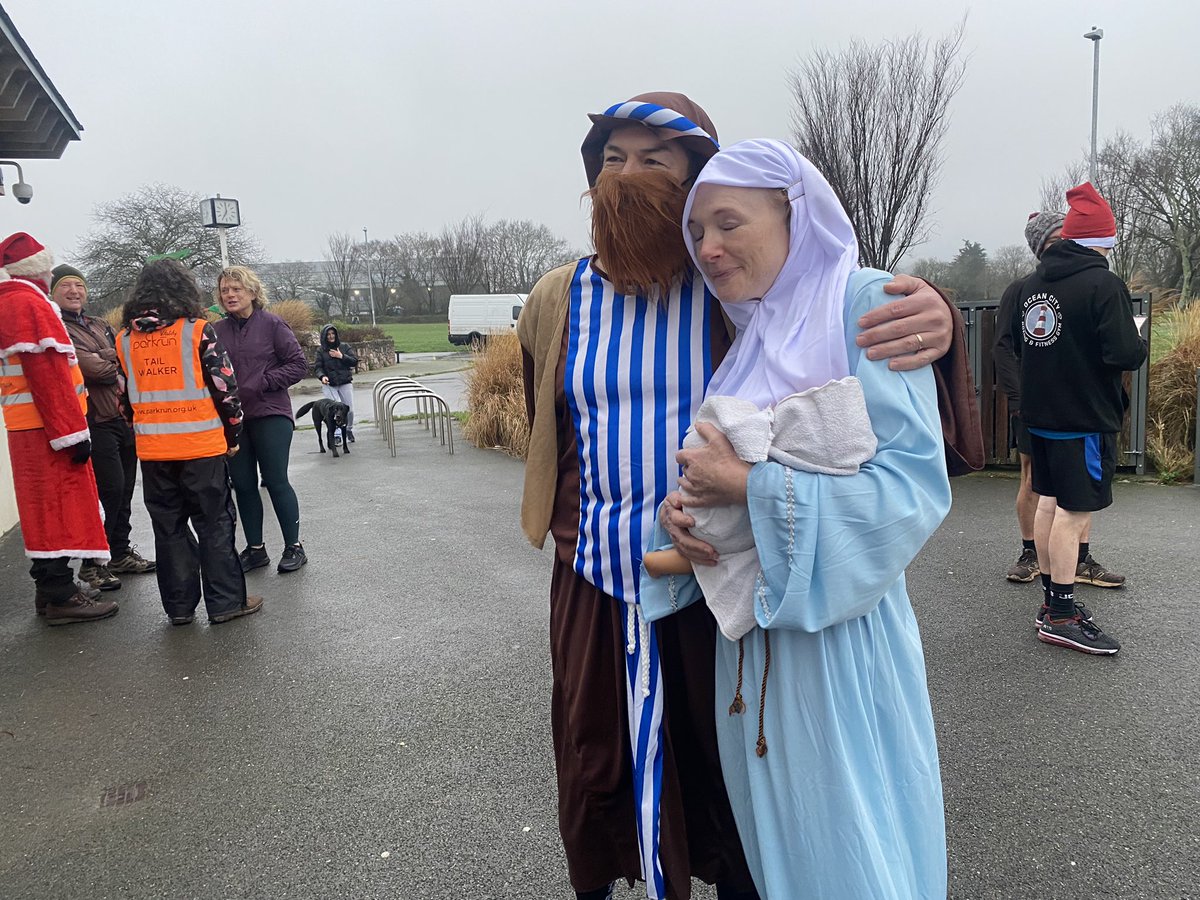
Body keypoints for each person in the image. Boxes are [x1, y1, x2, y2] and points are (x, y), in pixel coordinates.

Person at [517, 92, 975, 900]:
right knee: (600, 774)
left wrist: (938, 314)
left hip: (720, 585)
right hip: (597, 574)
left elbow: (830, 305)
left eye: (654, 161)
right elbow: (548, 423)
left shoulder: (730, 288)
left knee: (735, 796)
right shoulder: (557, 297)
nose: (627, 177)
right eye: (612, 160)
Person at [640, 138, 952, 900]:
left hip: (842, 652)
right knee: (780, 854)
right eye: (696, 233)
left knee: (854, 854)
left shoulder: (865, 305)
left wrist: (748, 486)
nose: (708, 248)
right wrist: (682, 516)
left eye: (729, 223)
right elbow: (719, 488)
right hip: (749, 667)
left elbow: (912, 490)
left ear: (795, 213)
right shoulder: (747, 341)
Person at [1013, 183, 1147, 655]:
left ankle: (1052, 603)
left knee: (1049, 504)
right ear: (1102, 240)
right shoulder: (1103, 285)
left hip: (1041, 417)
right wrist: (1138, 341)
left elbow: (1026, 346)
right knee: (1073, 514)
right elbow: (1125, 354)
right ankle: (1062, 617)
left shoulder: (1032, 285)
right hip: (1084, 418)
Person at [115, 260, 261, 625]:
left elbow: (123, 399)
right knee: (214, 525)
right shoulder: (197, 331)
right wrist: (233, 434)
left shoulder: (125, 340)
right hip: (201, 447)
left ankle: (179, 608)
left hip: (153, 451)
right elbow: (225, 389)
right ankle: (226, 603)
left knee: (169, 529)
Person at [993, 213, 1126, 588]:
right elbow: (1004, 347)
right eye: (1055, 240)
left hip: (1068, 407)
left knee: (1068, 494)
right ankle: (1033, 559)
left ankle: (1077, 562)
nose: (1065, 245)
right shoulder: (1023, 288)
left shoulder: (1079, 284)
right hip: (1038, 407)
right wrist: (1019, 397)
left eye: (1067, 237)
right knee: (1039, 484)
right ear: (1039, 248)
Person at [0, 232, 117, 624]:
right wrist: (71, 433)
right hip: (49, 431)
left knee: (41, 509)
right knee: (59, 509)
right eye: (48, 269)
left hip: (28, 429)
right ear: (35, 270)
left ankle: (51, 590)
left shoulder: (8, 302)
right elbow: (48, 376)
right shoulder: (30, 304)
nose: (50, 276)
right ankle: (59, 596)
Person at [54, 264, 156, 593]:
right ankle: (92, 564)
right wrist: (110, 358)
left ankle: (119, 552)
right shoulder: (58, 327)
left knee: (124, 491)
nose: (74, 291)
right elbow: (93, 370)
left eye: (79, 285)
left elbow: (129, 359)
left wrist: (106, 356)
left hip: (122, 416)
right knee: (108, 491)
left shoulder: (99, 324)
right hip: (94, 420)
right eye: (66, 286)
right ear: (53, 292)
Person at [212, 265, 309, 573]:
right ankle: (255, 550)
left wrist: (262, 382)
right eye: (225, 290)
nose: (230, 295)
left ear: (252, 292)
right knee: (243, 485)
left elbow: (298, 364)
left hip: (270, 413)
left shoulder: (272, 324)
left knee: (276, 479)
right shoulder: (216, 331)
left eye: (236, 289)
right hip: (234, 418)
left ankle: (294, 546)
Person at [314, 323, 358, 444]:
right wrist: (322, 376)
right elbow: (318, 367)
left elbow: (354, 361)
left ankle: (348, 429)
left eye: (333, 334)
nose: (331, 336)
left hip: (345, 382)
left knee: (349, 409)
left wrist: (341, 356)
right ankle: (337, 434)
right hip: (330, 384)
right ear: (324, 336)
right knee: (334, 410)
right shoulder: (320, 351)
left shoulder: (344, 347)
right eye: (328, 334)